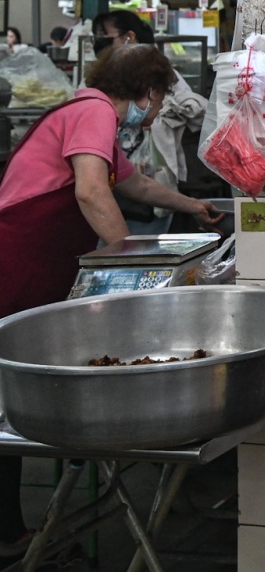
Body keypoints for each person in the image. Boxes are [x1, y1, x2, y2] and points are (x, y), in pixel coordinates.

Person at [0, 44, 220, 557]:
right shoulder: (94, 110)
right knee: (8, 397)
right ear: (148, 90)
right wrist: (131, 265)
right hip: (18, 258)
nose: (160, 109)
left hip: (39, 259)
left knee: (13, 392)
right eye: (162, 96)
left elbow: (135, 183)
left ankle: (10, 530)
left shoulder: (90, 114)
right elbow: (92, 193)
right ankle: (8, 533)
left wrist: (194, 206)